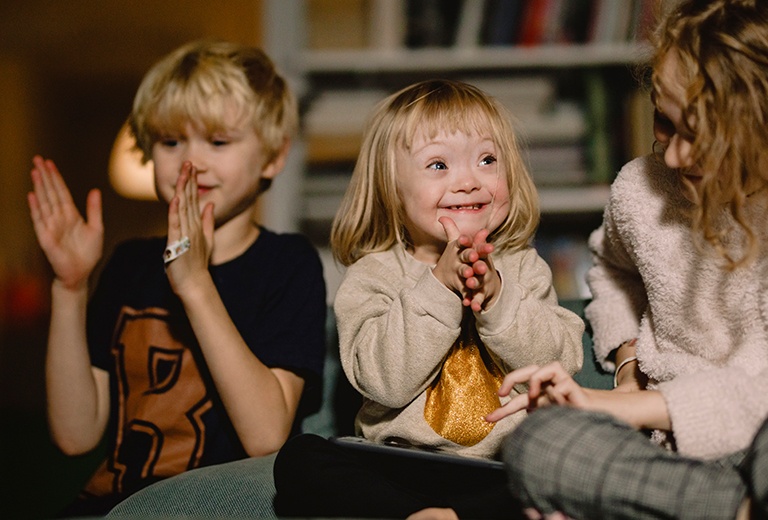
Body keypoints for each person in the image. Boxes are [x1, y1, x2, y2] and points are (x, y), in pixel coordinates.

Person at [486, 0, 768, 518]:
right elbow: (611, 269)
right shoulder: (641, 188)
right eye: (664, 120)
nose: (676, 154)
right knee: (537, 445)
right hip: (669, 457)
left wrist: (625, 407)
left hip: (758, 435)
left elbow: (759, 387)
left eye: (700, 134)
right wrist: (628, 363)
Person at [27, 40, 327, 516]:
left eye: (218, 141)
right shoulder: (128, 264)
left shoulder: (287, 264)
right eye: (171, 142)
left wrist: (194, 283)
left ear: (272, 157)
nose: (193, 162)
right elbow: (75, 435)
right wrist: (70, 289)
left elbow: (267, 435)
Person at [272, 78, 585, 519]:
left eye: (487, 159)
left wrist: (498, 298)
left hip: (506, 467)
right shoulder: (373, 275)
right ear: (391, 190)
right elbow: (383, 381)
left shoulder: (522, 267)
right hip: (401, 467)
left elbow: (563, 360)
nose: (468, 181)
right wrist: (438, 286)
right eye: (438, 165)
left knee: (576, 466)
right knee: (300, 459)